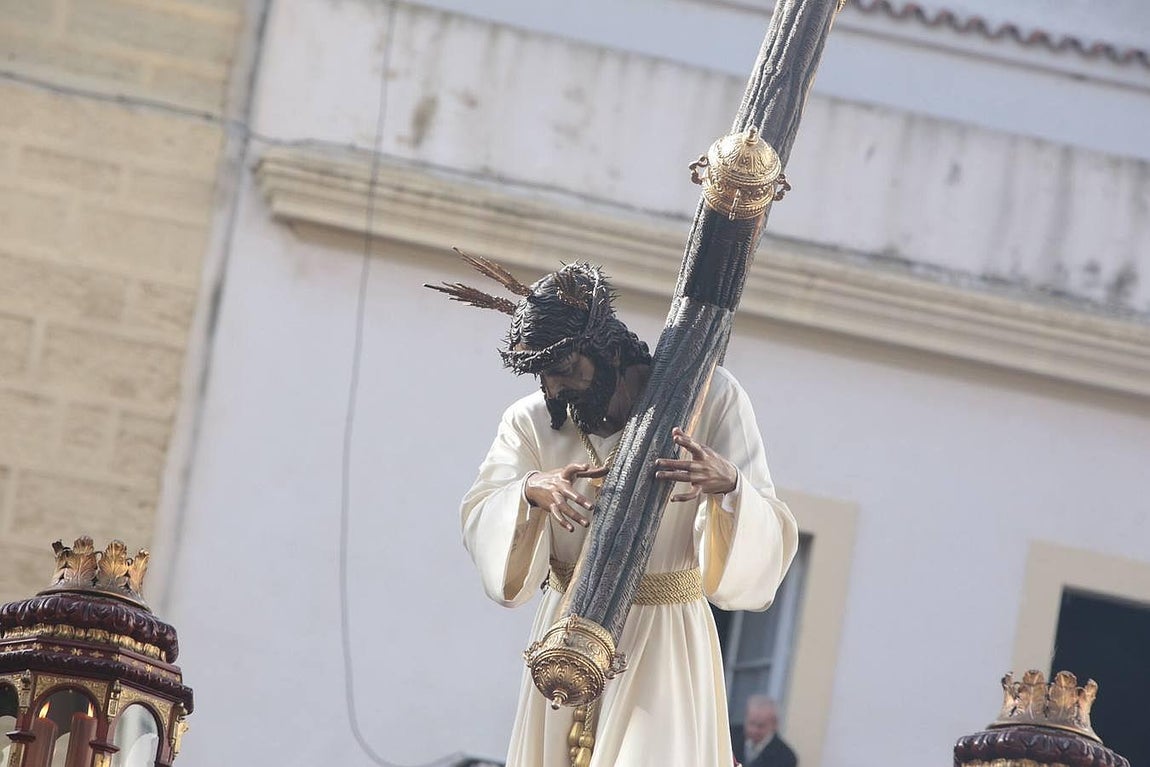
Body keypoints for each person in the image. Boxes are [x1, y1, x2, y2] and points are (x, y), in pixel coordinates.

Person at [438, 258, 798, 767]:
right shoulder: (530, 421)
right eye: (545, 377)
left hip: (664, 634)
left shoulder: (710, 396)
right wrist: (529, 490)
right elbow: (479, 508)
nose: (555, 390)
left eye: (566, 371)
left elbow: (772, 531)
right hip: (565, 629)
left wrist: (730, 486)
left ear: (607, 352)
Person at [731, 696, 798, 767]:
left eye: (760, 726)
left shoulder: (786, 757)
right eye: (751, 723)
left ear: (774, 725)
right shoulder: (730, 736)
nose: (754, 730)